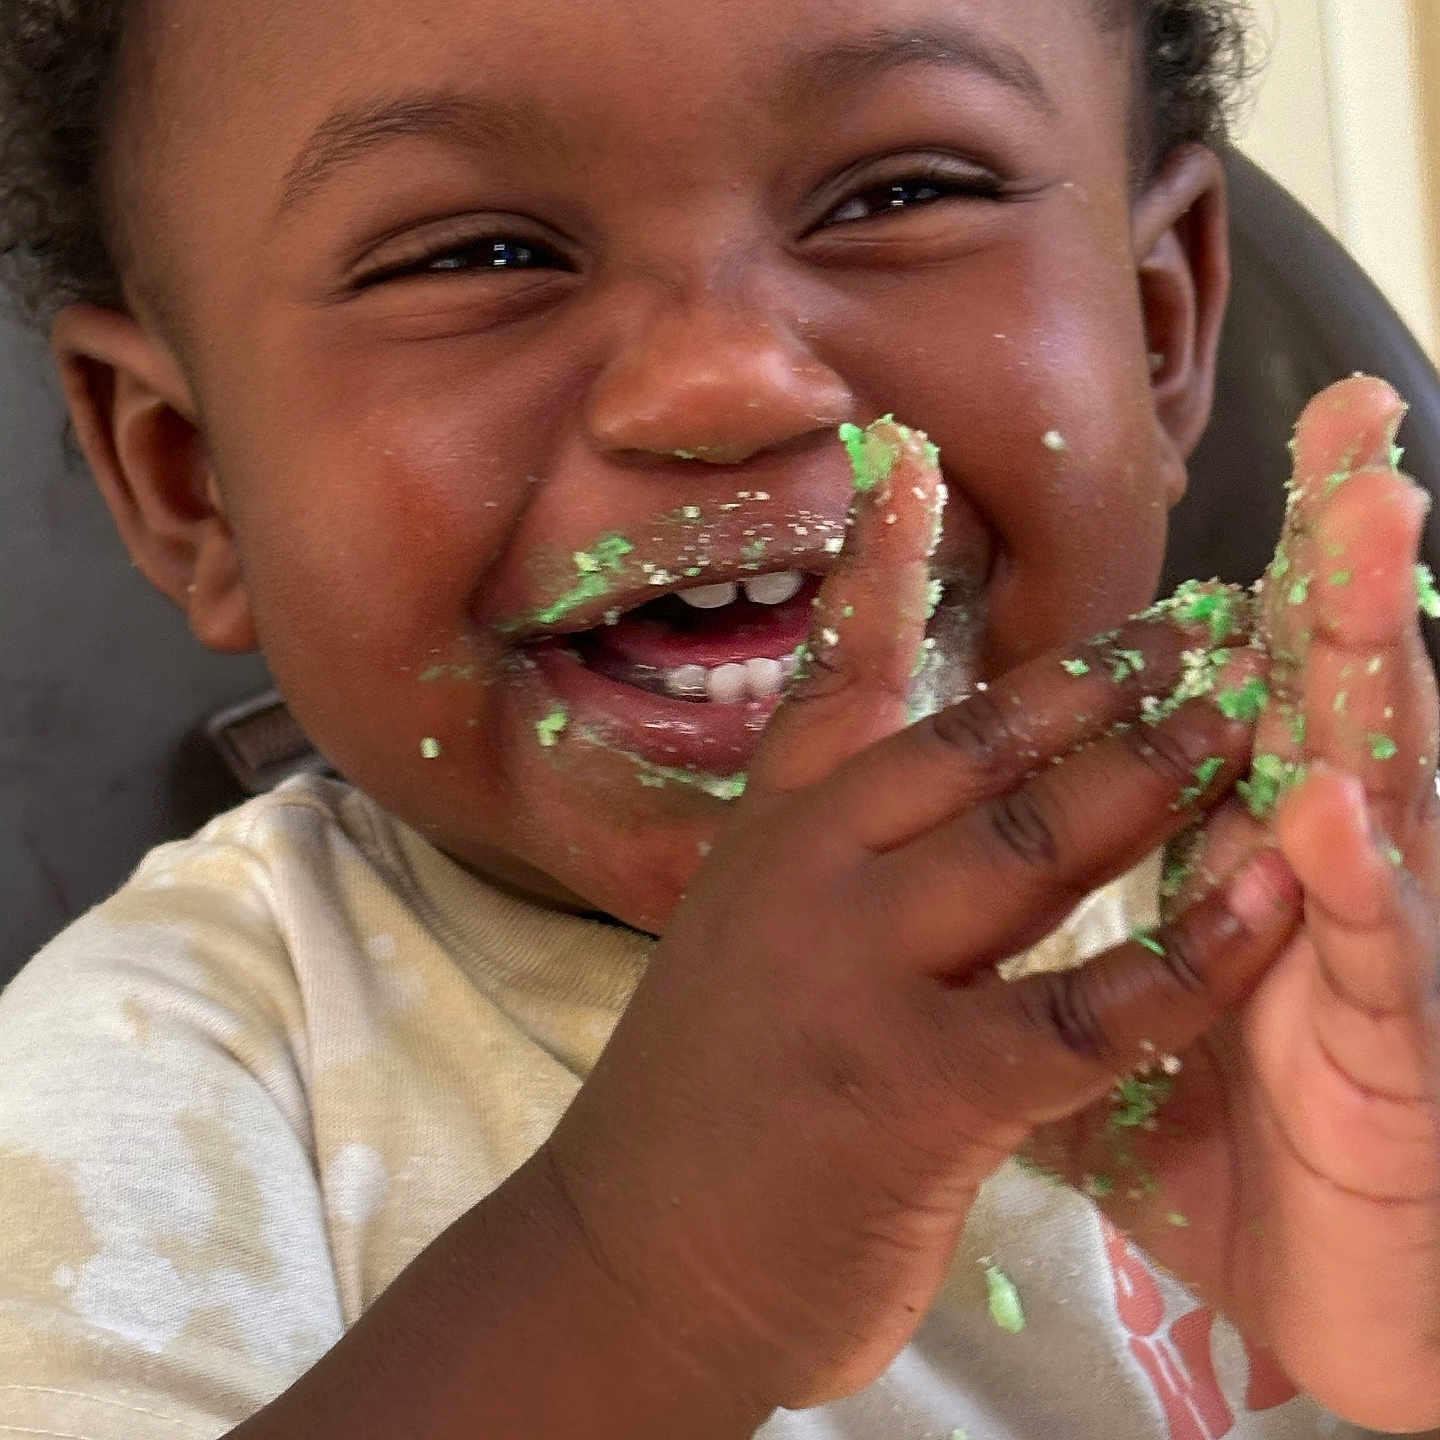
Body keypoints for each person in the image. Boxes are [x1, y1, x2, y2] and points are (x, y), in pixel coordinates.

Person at [0, 0, 1436, 1436]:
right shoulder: (159, 1091)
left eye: (899, 195)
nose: (726, 381)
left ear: (1158, 325)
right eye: (478, 256)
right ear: (191, 477)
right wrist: (644, 1281)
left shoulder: (1355, 927)